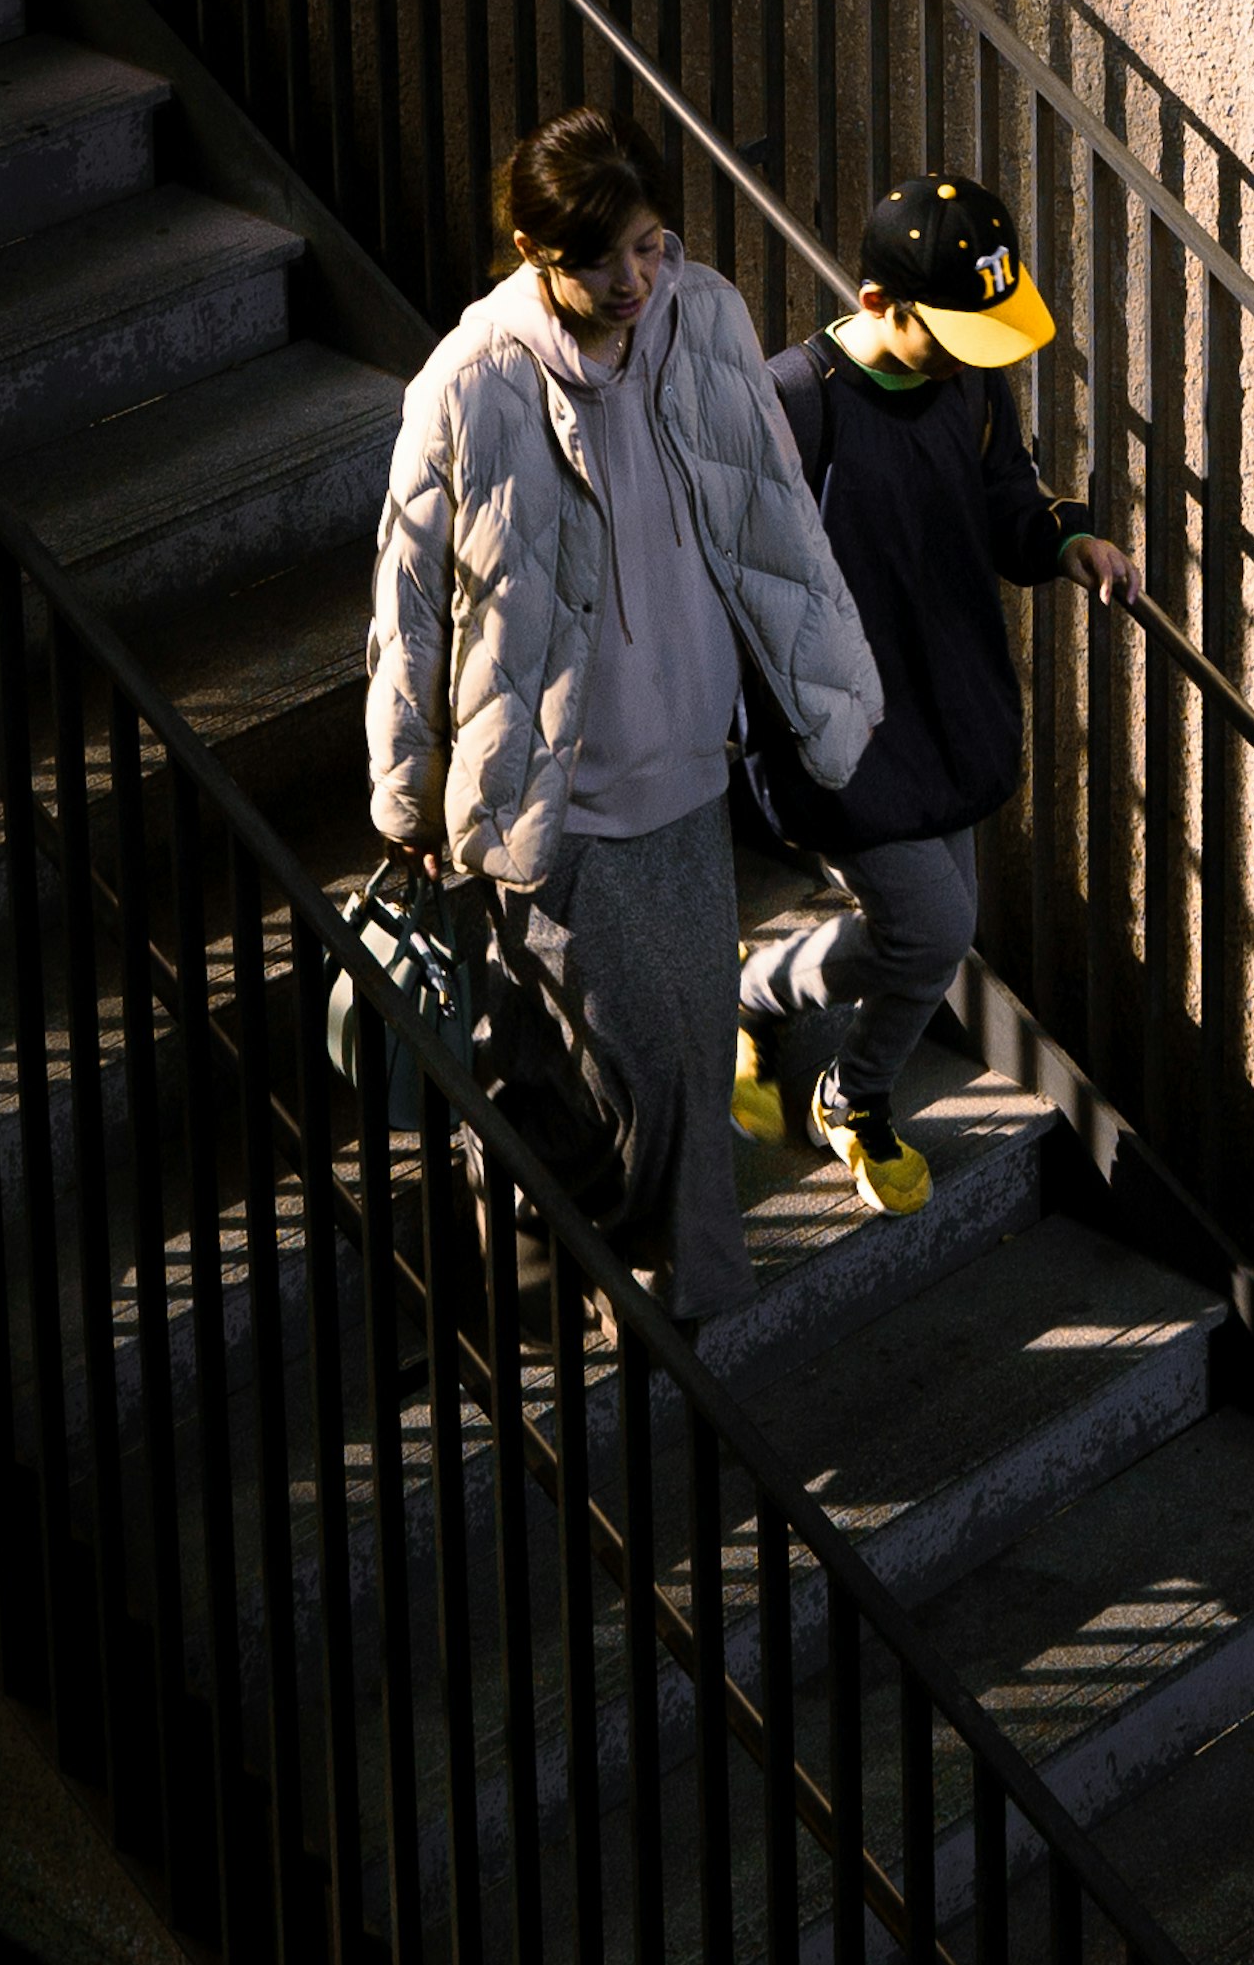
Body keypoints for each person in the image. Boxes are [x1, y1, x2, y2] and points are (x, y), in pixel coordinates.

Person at [365, 108, 882, 1327]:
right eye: (608, 260)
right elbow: (406, 599)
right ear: (535, 248)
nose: (640, 279)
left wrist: (833, 691)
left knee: (687, 1050)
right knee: (607, 1067)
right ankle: (574, 1276)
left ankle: (673, 1296)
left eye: (653, 245)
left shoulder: (700, 319)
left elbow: (774, 519)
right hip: (553, 791)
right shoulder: (469, 381)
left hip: (686, 768)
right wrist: (404, 787)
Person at [737, 174, 1142, 1215]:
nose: (978, 353)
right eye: (956, 328)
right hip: (842, 724)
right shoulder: (794, 399)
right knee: (929, 929)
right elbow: (740, 575)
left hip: (944, 698)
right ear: (879, 303)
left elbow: (1008, 498)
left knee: (932, 929)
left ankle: (753, 991)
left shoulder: (968, 383)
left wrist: (1069, 539)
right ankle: (853, 1094)